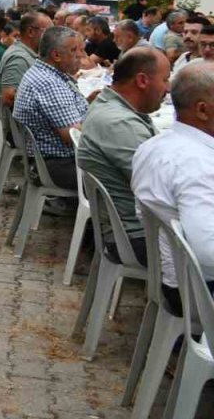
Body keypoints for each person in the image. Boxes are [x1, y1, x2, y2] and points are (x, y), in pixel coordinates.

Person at [132, 62, 214, 313]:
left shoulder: (153, 145)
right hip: (197, 291)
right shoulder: (198, 165)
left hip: (171, 275)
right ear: (202, 110)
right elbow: (208, 253)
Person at [79, 48, 171, 263]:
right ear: (142, 80)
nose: (168, 88)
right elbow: (165, 191)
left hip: (131, 230)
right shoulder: (120, 124)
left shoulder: (109, 104)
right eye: (165, 80)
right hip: (138, 237)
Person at [12, 27, 88, 193]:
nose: (80, 55)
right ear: (56, 55)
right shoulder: (49, 83)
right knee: (123, 177)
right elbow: (72, 135)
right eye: (74, 50)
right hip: (56, 164)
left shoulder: (44, 72)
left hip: (48, 159)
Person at [0, 11, 52, 108]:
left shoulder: (25, 52)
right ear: (30, 32)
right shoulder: (19, 59)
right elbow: (8, 98)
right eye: (48, 32)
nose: (52, 37)